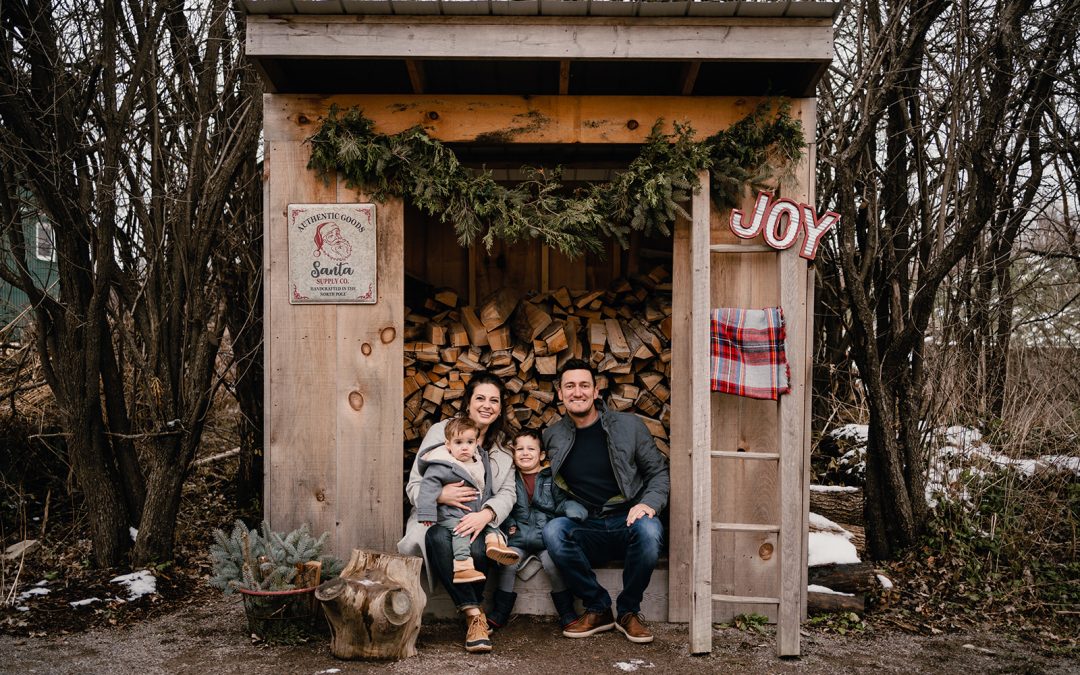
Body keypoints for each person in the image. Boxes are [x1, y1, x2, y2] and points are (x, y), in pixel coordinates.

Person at [542, 358, 670, 644]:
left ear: (596, 391)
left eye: (584, 385)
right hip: (587, 525)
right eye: (570, 386)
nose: (578, 392)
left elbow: (658, 473)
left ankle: (628, 612)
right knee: (553, 531)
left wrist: (647, 504)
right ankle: (598, 607)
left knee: (650, 531)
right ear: (560, 394)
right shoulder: (553, 436)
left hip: (629, 520)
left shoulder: (629, 426)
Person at [398, 371, 517, 653]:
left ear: (500, 408)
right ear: (468, 402)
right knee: (439, 540)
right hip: (438, 518)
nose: (487, 405)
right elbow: (415, 483)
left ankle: (471, 613)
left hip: (479, 519)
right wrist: (441, 494)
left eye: (494, 400)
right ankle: (475, 617)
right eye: (480, 398)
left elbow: (508, 492)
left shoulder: (502, 447)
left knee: (477, 552)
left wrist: (486, 514)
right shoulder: (442, 432)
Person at [486, 430, 586, 630]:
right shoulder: (510, 479)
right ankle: (500, 611)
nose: (525, 453)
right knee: (508, 562)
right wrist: (510, 526)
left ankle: (566, 611)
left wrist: (573, 511)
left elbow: (561, 504)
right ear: (513, 454)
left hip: (545, 537)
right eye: (520, 449)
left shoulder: (551, 478)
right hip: (518, 537)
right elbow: (506, 506)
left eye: (531, 449)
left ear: (541, 455)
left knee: (552, 562)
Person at [416, 416, 520, 584]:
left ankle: (496, 545)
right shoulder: (442, 464)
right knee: (462, 532)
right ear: (448, 445)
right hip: (452, 515)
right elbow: (427, 486)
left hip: (476, 511)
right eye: (458, 443)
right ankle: (463, 566)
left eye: (470, 442)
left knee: (491, 527)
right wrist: (427, 512)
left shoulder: (480, 459)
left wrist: (486, 513)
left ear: (476, 443)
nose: (465, 447)